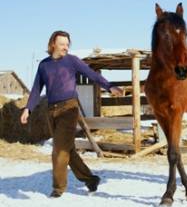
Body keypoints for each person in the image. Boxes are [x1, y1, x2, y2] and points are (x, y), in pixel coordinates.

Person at [20, 30, 123, 198]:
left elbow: (92, 75)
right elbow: (37, 89)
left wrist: (109, 86)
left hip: (69, 108)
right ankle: (90, 179)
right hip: (51, 110)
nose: (66, 47)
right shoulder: (44, 65)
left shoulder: (72, 61)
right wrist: (28, 108)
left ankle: (58, 188)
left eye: (67, 44)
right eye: (62, 44)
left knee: (59, 150)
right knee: (68, 149)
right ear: (53, 44)